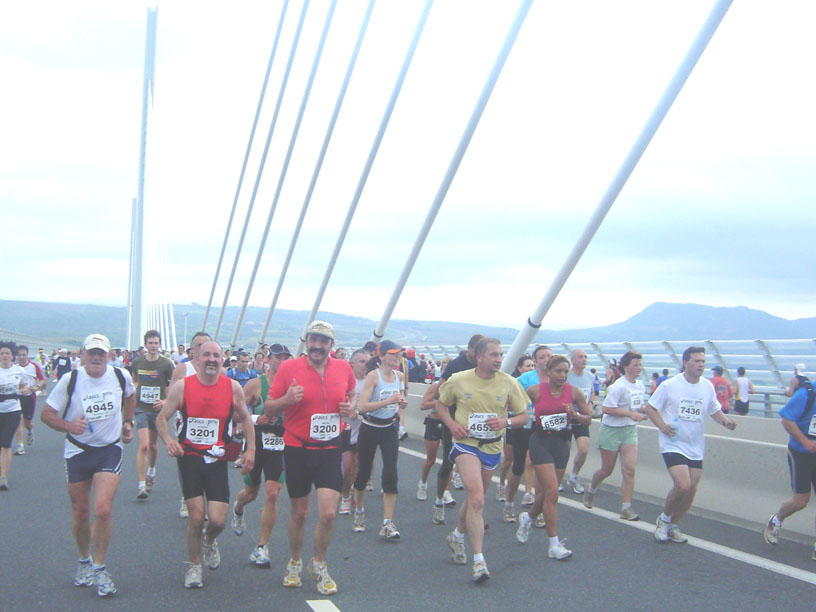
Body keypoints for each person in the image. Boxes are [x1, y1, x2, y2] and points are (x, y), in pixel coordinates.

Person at [41, 333, 135, 597]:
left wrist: (128, 421)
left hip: (109, 449)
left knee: (103, 510)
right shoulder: (70, 380)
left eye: (101, 353)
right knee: (81, 512)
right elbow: (46, 414)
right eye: (91, 353)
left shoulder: (120, 376)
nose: (96, 358)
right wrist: (70, 426)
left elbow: (130, 395)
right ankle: (84, 561)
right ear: (82, 355)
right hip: (78, 450)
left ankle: (100, 567)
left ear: (108, 356)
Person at [266, 321, 356, 595]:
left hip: (329, 448)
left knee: (328, 513)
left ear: (331, 345)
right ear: (307, 343)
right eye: (313, 340)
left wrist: (351, 406)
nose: (317, 346)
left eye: (323, 341)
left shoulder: (343, 368)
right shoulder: (289, 368)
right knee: (300, 512)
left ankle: (318, 562)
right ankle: (295, 561)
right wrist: (286, 400)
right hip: (297, 448)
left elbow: (352, 395)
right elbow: (269, 407)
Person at [156, 341, 255, 588]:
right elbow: (161, 418)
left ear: (223, 359)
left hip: (217, 458)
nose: (212, 359)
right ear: (197, 359)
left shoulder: (232, 388)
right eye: (207, 355)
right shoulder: (182, 387)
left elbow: (245, 418)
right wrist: (169, 439)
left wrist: (251, 449)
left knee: (218, 520)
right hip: (189, 457)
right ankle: (194, 566)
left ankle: (210, 542)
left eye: (217, 355)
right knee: (196, 517)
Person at [435, 338, 529, 582]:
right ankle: (479, 561)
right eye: (494, 355)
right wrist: (452, 424)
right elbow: (440, 404)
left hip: (492, 447)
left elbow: (523, 416)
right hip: (466, 445)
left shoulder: (509, 383)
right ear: (479, 357)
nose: (499, 359)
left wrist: (505, 422)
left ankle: (456, 536)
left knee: (475, 501)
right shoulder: (459, 379)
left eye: (500, 355)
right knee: (477, 497)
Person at [644, 346, 737, 543]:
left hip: (695, 445)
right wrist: (662, 426)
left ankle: (674, 525)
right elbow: (650, 407)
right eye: (696, 361)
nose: (701, 364)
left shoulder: (706, 386)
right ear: (686, 363)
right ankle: (664, 519)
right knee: (682, 485)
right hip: (673, 442)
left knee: (692, 489)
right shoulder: (670, 385)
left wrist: (726, 422)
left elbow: (714, 409)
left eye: (703, 361)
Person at [516, 355, 592, 559]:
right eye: (558, 371)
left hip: (562, 444)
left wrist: (574, 415)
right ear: (548, 371)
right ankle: (554, 545)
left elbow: (588, 419)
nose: (563, 375)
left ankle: (528, 518)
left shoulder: (573, 392)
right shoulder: (535, 390)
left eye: (566, 371)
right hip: (540, 442)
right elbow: (515, 406)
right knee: (552, 493)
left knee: (549, 494)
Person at [231, 343, 291, 567]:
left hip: (281, 443)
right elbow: (235, 414)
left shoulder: (294, 385)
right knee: (251, 492)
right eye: (278, 357)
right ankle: (238, 508)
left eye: (286, 357)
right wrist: (257, 419)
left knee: (273, 493)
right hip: (257, 442)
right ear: (269, 359)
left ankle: (262, 547)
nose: (282, 361)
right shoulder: (256, 385)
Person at [420, 334, 485, 525]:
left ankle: (474, 512)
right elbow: (440, 391)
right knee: (448, 462)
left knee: (477, 470)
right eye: (478, 352)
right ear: (471, 349)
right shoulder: (456, 365)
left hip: (476, 423)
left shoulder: (485, 366)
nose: (481, 356)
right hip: (454, 421)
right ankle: (439, 501)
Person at [352, 340, 408, 539]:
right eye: (393, 354)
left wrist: (401, 404)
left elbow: (399, 401)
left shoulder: (399, 376)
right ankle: (359, 512)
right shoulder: (372, 377)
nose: (397, 357)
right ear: (382, 356)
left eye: (399, 354)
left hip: (389, 429)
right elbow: (363, 407)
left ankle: (387, 522)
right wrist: (388, 401)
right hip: (369, 428)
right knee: (364, 472)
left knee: (391, 473)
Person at [583, 350, 647, 520]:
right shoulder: (618, 386)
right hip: (611, 430)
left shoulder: (639, 386)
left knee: (629, 470)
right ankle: (591, 489)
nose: (638, 368)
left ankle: (626, 508)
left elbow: (636, 405)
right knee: (607, 470)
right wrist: (629, 414)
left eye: (640, 365)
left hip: (629, 431)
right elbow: (607, 409)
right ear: (626, 367)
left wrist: (642, 411)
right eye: (635, 365)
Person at [763, 377, 816, 556]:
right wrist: (806, 443)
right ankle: (776, 520)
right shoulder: (807, 394)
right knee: (801, 501)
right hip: (801, 453)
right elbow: (786, 419)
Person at [504, 345, 552, 523]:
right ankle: (509, 503)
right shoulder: (525, 379)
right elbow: (513, 403)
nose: (546, 360)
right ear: (536, 360)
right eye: (542, 357)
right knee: (518, 466)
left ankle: (537, 510)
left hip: (544, 428)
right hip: (524, 426)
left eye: (549, 356)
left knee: (541, 467)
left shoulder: (557, 379)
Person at [129, 330, 175, 500]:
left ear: (160, 344)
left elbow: (173, 386)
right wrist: (134, 388)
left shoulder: (166, 365)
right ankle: (141, 485)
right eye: (151, 343)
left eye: (156, 343)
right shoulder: (137, 362)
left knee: (154, 446)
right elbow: (135, 379)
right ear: (146, 344)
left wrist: (166, 401)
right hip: (141, 408)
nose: (154, 346)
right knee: (144, 445)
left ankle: (151, 471)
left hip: (157, 410)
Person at [497, 354, 534, 501]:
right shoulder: (512, 383)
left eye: (532, 366)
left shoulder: (536, 384)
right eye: (527, 366)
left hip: (530, 425)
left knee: (529, 461)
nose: (531, 368)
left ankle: (528, 493)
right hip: (512, 424)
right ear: (519, 368)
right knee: (509, 460)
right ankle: (501, 483)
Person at [564, 348, 596, 494]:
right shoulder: (566, 376)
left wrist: (589, 407)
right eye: (580, 357)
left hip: (581, 417)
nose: (583, 359)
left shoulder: (589, 376)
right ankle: (558, 477)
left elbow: (593, 394)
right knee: (564, 451)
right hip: (566, 417)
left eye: (585, 357)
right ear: (572, 360)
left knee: (583, 449)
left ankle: (574, 476)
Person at [339, 349, 367, 514]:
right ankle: (345, 496)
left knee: (360, 465)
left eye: (367, 362)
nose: (365, 365)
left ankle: (356, 495)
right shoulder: (345, 380)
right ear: (353, 363)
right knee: (347, 467)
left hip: (364, 429)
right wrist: (348, 410)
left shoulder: (372, 381)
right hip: (346, 429)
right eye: (362, 362)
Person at [0, 342, 28, 490]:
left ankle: (3, 476)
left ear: (12, 355)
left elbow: (23, 385)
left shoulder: (18, 370)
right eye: (2, 353)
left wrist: (24, 390)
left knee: (5, 443)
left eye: (7, 353)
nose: (4, 356)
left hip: (12, 410)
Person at [13, 344, 46, 455]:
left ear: (28, 355)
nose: (22, 357)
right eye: (19, 355)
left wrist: (36, 387)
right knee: (18, 420)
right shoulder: (14, 367)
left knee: (27, 422)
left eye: (24, 355)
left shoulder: (34, 366)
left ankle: (30, 430)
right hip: (17, 397)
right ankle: (20, 446)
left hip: (30, 397)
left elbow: (42, 380)